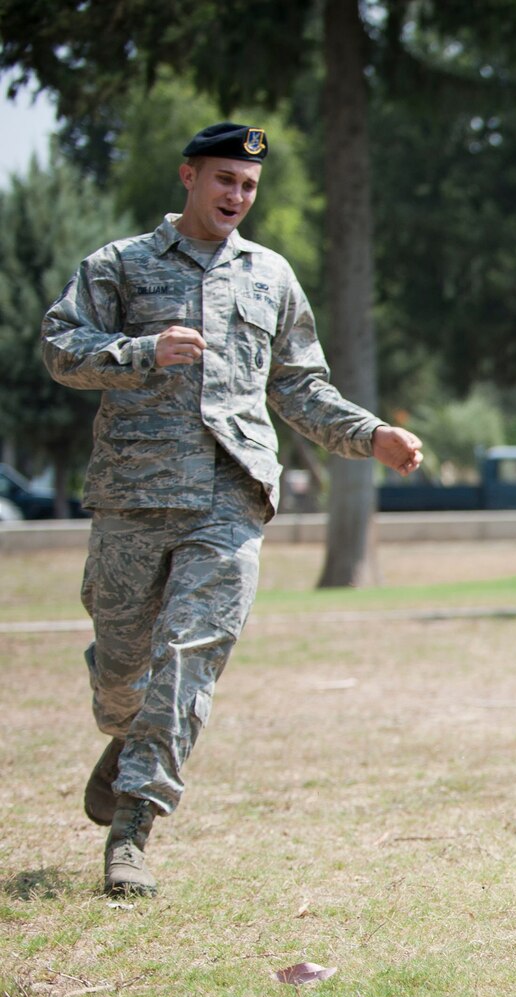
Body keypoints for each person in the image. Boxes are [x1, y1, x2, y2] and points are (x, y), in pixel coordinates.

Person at [41, 122, 424, 896]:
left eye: (248, 187)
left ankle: (132, 832)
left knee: (188, 657)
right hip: (134, 495)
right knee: (124, 672)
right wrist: (139, 352)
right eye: (224, 181)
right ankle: (124, 738)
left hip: (231, 496)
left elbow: (299, 387)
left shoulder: (270, 276)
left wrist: (371, 434)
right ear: (188, 177)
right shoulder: (119, 265)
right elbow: (58, 347)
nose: (236, 197)